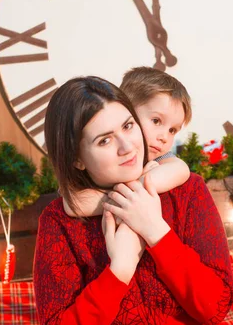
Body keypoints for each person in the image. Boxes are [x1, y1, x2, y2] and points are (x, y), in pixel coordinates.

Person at [34, 76, 233, 325]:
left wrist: (157, 232)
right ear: (77, 158)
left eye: (128, 126)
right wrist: (120, 268)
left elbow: (216, 306)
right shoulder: (59, 221)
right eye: (104, 140)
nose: (127, 146)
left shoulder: (188, 190)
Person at [62, 66, 191, 217]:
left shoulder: (162, 160)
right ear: (126, 110)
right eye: (156, 121)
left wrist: (134, 191)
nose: (164, 137)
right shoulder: (97, 165)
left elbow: (181, 170)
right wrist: (128, 197)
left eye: (172, 130)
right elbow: (74, 205)